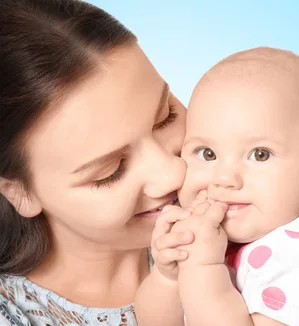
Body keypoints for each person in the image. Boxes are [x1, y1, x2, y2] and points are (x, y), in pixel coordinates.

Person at [136, 47, 299, 326]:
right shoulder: (213, 233)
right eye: (207, 154)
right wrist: (168, 277)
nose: (225, 179)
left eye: (260, 154)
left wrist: (202, 268)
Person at [0, 0, 196, 324]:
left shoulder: (259, 211)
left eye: (166, 117)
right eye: (111, 172)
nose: (173, 174)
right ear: (20, 192)